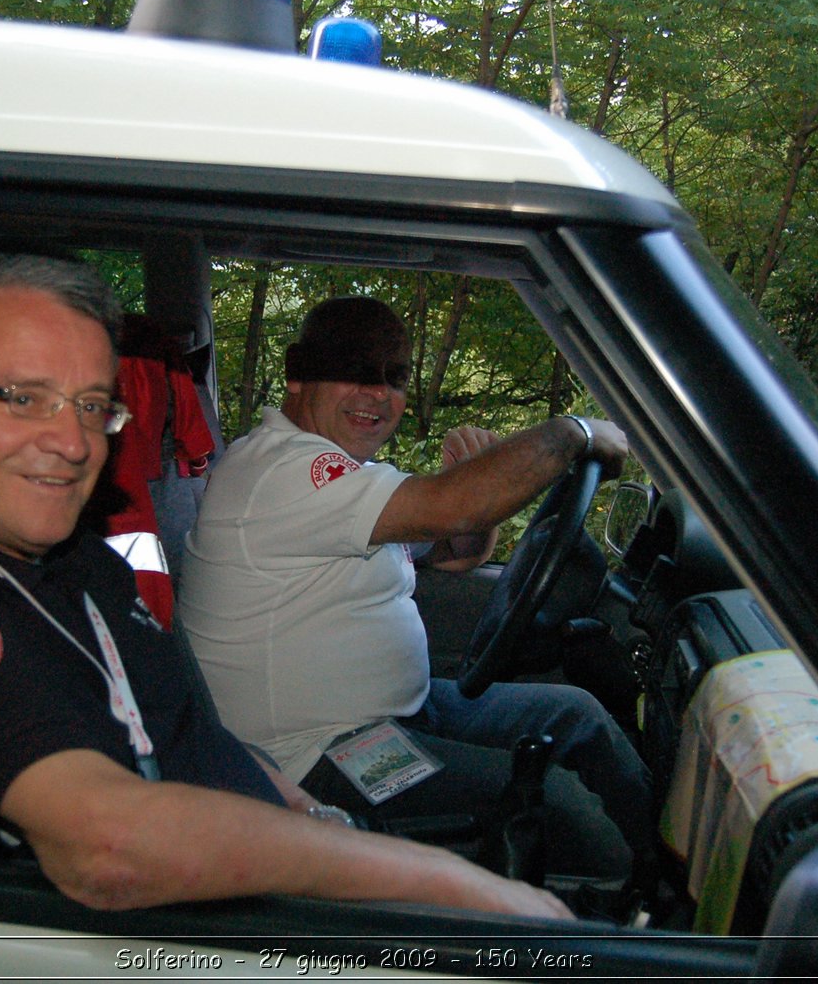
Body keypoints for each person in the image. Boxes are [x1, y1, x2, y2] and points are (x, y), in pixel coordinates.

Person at [0, 250, 569, 918]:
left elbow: (192, 730)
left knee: (568, 724)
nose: (72, 441)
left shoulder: (76, 562)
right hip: (200, 921)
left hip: (283, 814)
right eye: (23, 397)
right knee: (566, 820)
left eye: (92, 406)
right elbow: (111, 846)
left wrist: (314, 815)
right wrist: (444, 882)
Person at [180, 296, 656, 880]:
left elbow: (454, 553)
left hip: (404, 710)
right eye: (354, 371)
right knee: (557, 804)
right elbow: (450, 509)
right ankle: (631, 924)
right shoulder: (286, 470)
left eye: (394, 377)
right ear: (298, 375)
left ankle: (672, 871)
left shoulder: (337, 472)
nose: (378, 393)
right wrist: (573, 432)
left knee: (575, 714)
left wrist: (472, 512)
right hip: (316, 755)